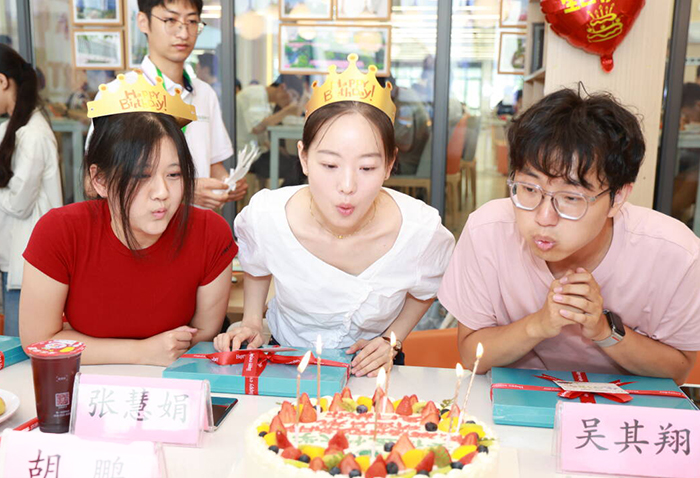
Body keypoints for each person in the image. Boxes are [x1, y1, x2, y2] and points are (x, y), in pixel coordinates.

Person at [438, 89, 700, 385]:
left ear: (617, 197)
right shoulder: (487, 231)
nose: (543, 217)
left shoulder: (676, 253)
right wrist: (538, 324)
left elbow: (679, 371)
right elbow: (471, 355)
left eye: (571, 198)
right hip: (513, 403)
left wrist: (603, 331)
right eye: (529, 189)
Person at [216, 55, 455, 377]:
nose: (347, 186)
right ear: (303, 157)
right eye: (329, 165)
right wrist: (251, 322)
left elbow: (424, 291)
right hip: (286, 361)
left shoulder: (420, 230)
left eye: (367, 167)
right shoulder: (268, 216)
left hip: (373, 367)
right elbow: (257, 266)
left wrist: (392, 339)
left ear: (389, 164)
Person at [20, 73, 236, 365]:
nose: (162, 193)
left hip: (172, 381)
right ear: (100, 180)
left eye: (174, 174)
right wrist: (141, 352)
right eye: (141, 176)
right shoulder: (61, 231)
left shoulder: (210, 233)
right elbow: (38, 341)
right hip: (86, 386)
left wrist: (81, 342)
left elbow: (203, 333)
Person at [88, 0, 247, 210]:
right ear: (143, 21)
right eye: (171, 20)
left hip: (196, 223)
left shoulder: (204, 93)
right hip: (141, 226)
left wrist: (228, 184)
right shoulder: (118, 94)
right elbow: (93, 184)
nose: (183, 33)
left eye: (192, 21)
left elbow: (214, 165)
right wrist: (185, 189)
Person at [0, 44, 62, 337]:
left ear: (2, 81)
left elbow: (18, 203)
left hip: (27, 262)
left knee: (22, 346)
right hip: (12, 257)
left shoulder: (34, 133)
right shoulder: (14, 128)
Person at [236, 77, 305, 186]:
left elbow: (261, 135)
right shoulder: (255, 94)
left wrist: (278, 148)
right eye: (293, 96)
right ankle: (282, 196)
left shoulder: (265, 100)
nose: (292, 102)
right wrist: (286, 111)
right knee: (298, 166)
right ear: (282, 87)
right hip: (247, 155)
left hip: (256, 151)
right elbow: (257, 128)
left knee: (300, 162)